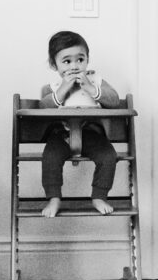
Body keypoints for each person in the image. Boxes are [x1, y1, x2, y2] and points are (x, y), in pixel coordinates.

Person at [39, 31, 120, 217]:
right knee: (50, 158)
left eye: (80, 59)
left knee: (108, 156)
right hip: (61, 134)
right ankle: (54, 199)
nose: (75, 66)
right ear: (54, 65)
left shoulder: (96, 81)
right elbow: (43, 107)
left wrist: (91, 89)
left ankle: (99, 196)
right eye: (67, 61)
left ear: (87, 60)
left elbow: (114, 100)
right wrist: (63, 89)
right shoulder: (51, 88)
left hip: (90, 133)